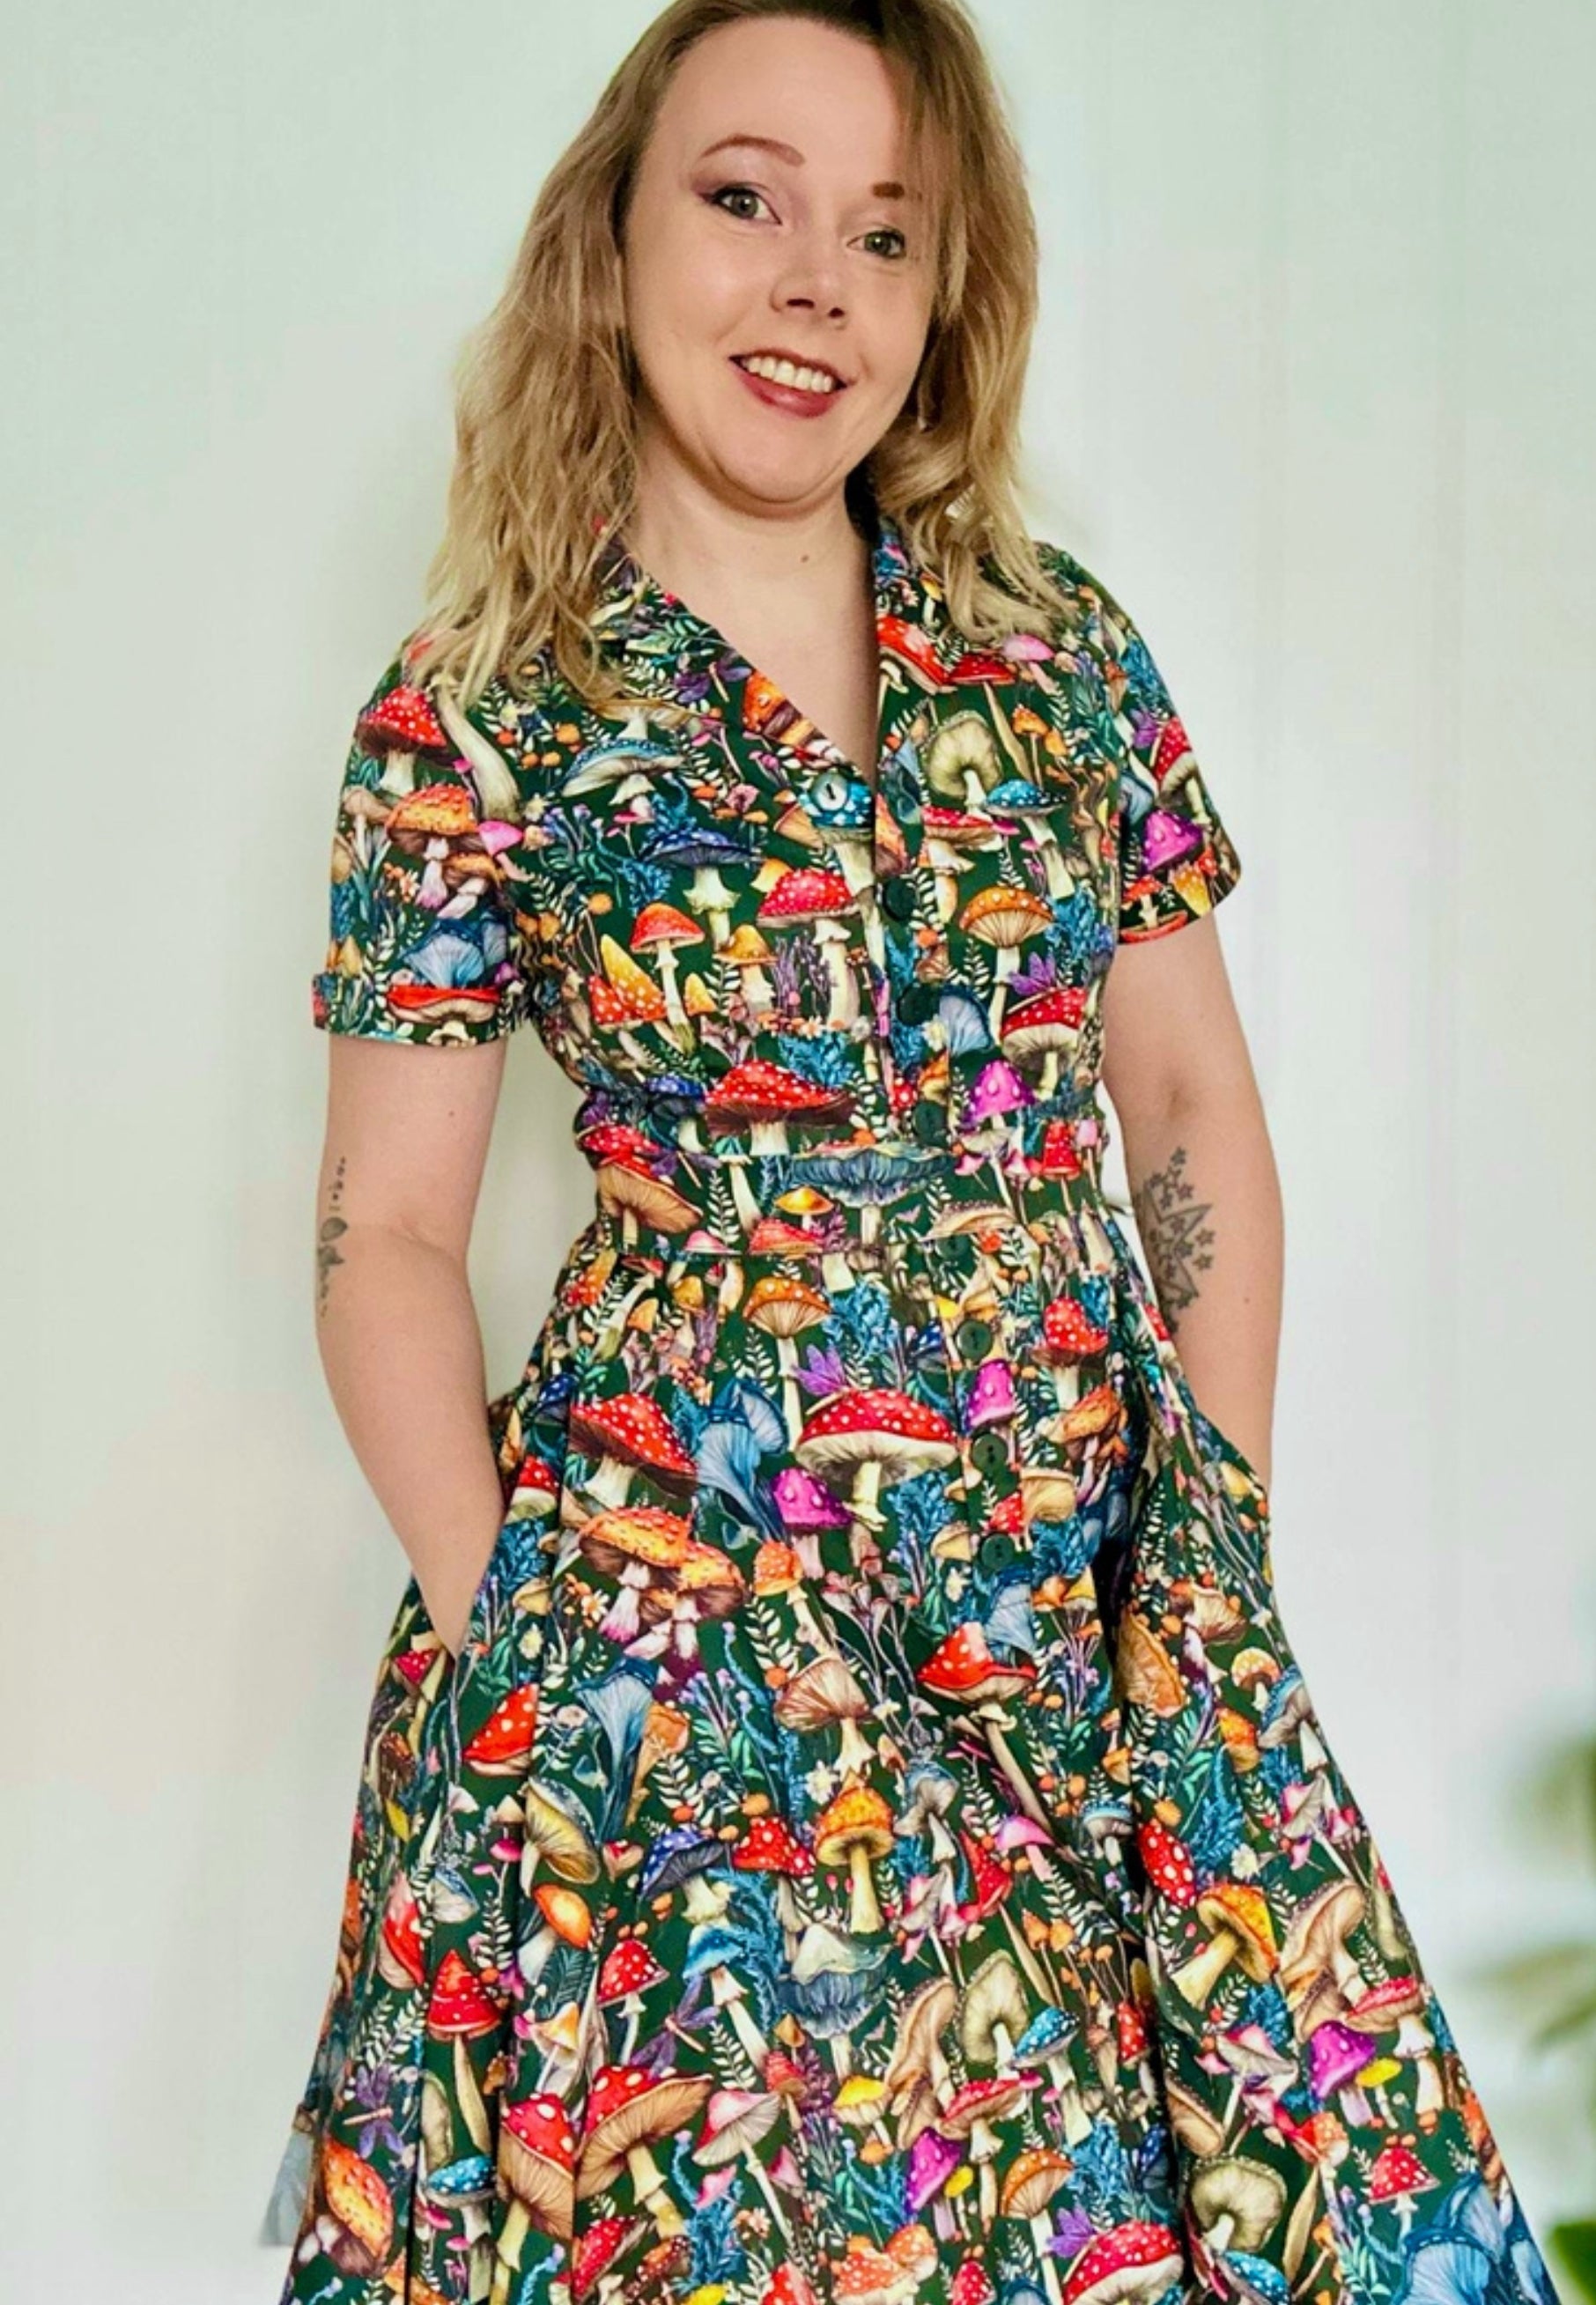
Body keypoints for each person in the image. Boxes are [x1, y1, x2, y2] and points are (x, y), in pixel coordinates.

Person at [264, 4, 1558, 2301]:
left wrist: (1209, 1559)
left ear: (945, 293)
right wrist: (523, 1638)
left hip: (1074, 1602)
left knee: (1160, 2217)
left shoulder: (1053, 655)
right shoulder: (470, 701)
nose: (815, 284)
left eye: (886, 231)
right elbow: (383, 1231)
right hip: (671, 1623)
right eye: (744, 198)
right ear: (614, 230)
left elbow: (1186, 1119)